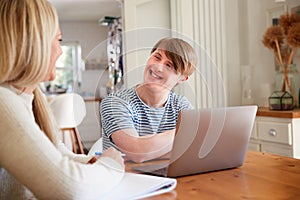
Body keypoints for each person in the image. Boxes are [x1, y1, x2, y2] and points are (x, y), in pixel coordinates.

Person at [0, 0, 124, 199]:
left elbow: (55, 153)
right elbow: (69, 188)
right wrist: (111, 165)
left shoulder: (27, 98)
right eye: (58, 40)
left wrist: (88, 162)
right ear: (34, 44)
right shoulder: (3, 102)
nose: (60, 50)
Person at [100, 37, 197, 163]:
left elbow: (193, 149)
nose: (158, 68)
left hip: (165, 178)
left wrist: (150, 151)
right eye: (157, 57)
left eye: (169, 65)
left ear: (182, 78)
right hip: (124, 178)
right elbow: (137, 152)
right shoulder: (115, 103)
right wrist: (183, 133)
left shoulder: (181, 105)